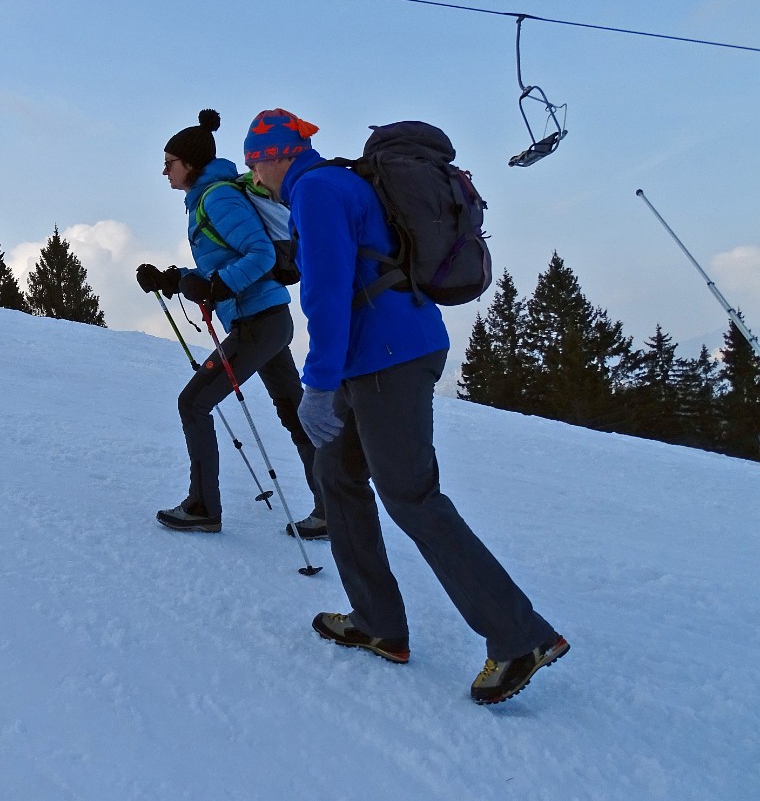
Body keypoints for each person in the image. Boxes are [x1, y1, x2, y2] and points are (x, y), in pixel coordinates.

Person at [242, 108, 567, 705]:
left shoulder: (314, 189)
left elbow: (328, 291)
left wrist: (316, 385)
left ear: (271, 155)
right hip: (380, 354)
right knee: (336, 474)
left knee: (411, 495)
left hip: (388, 357)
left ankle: (519, 635)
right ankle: (377, 622)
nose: (253, 176)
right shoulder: (339, 182)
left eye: (251, 162)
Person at [135, 109, 322, 534]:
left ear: (191, 164)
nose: (164, 171)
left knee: (193, 402)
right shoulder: (205, 199)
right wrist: (173, 278)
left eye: (170, 162)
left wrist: (217, 287)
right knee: (295, 413)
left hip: (259, 321)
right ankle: (331, 509)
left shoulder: (216, 197)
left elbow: (262, 255)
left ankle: (203, 507)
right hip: (266, 319)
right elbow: (225, 262)